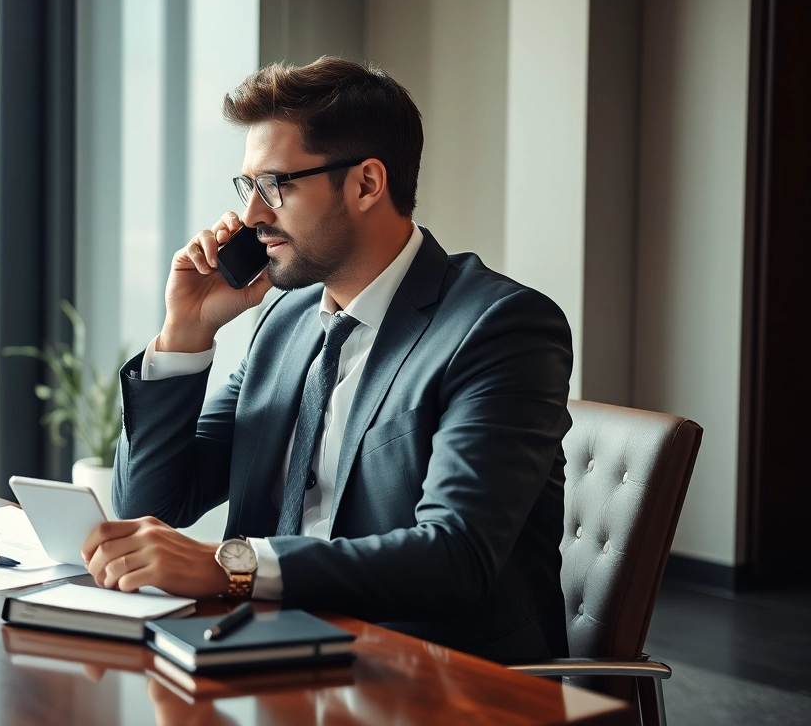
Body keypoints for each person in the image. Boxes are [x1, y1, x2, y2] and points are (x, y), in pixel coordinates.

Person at [80, 57, 573, 663]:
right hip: (267, 655)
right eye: (248, 188)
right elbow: (151, 506)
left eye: (275, 186)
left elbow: (455, 556)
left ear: (367, 184)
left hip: (427, 676)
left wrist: (230, 566)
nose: (253, 217)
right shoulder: (286, 323)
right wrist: (185, 333)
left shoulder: (500, 328)